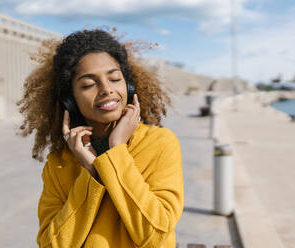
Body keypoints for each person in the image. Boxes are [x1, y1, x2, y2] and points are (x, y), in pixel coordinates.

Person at [16, 28, 184, 248]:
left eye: (114, 78)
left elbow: (154, 235)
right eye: (88, 84)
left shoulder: (160, 144)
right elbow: (51, 244)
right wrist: (90, 173)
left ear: (129, 86)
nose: (106, 89)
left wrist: (116, 150)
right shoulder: (59, 164)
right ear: (70, 100)